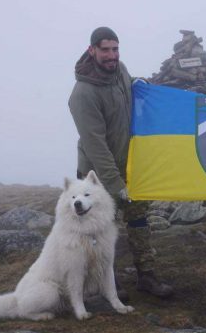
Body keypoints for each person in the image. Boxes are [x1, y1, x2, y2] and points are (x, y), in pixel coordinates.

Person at [68, 26, 174, 299]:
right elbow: (95, 144)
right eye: (105, 50)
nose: (112, 55)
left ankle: (146, 276)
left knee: (139, 220)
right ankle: (103, 285)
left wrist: (137, 83)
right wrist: (115, 185)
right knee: (99, 230)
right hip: (98, 175)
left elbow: (124, 89)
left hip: (130, 166)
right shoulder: (83, 94)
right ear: (92, 50)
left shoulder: (120, 71)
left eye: (115, 49)